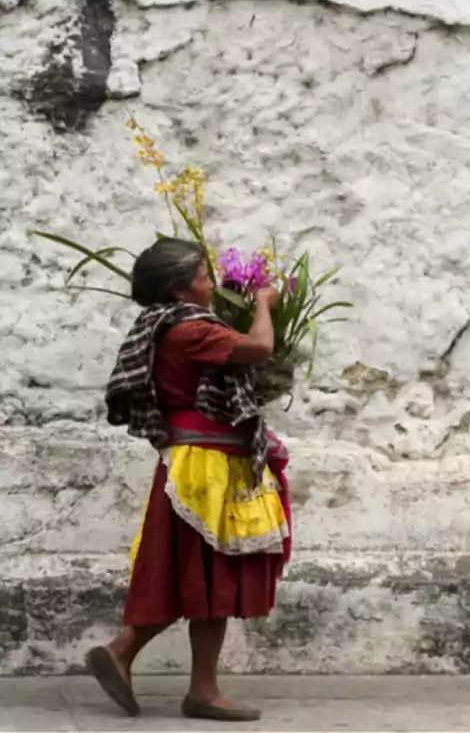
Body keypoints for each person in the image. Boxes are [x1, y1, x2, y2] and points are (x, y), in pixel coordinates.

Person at [85, 237, 292, 722]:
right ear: (180, 289)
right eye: (202, 275)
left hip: (197, 460)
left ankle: (192, 683)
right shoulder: (189, 331)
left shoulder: (165, 326)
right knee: (206, 572)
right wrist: (263, 303)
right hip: (206, 468)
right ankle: (148, 662)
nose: (210, 282)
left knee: (200, 573)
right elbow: (259, 348)